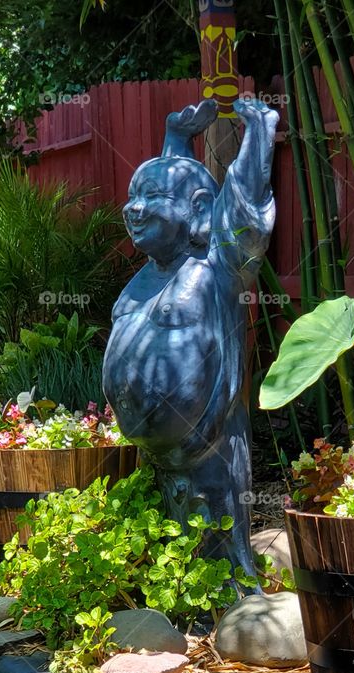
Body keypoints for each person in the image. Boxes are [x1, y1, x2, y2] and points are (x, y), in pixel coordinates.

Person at [103, 96, 279, 580]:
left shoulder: (217, 267)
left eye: (150, 198)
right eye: (132, 196)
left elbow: (242, 211)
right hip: (156, 457)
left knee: (216, 560)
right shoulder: (148, 274)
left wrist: (258, 133)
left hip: (209, 454)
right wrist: (176, 139)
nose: (134, 208)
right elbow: (174, 187)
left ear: (200, 210)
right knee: (166, 558)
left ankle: (228, 601)